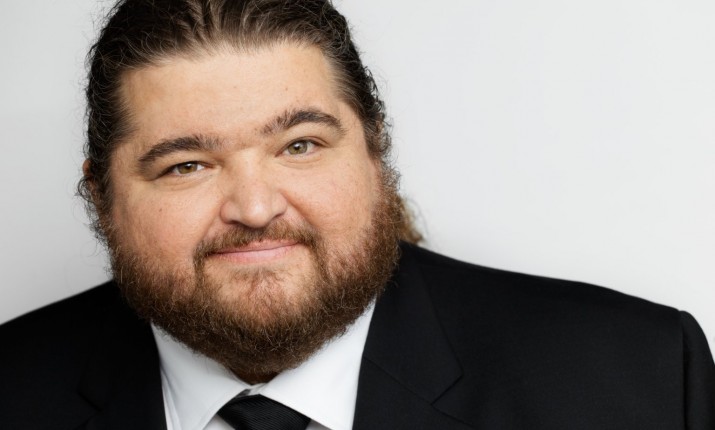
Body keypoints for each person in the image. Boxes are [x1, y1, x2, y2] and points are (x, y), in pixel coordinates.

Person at [0, 0, 712, 428]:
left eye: (300, 145)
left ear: (375, 156)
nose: (255, 208)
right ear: (101, 196)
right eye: (186, 164)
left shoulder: (638, 380)